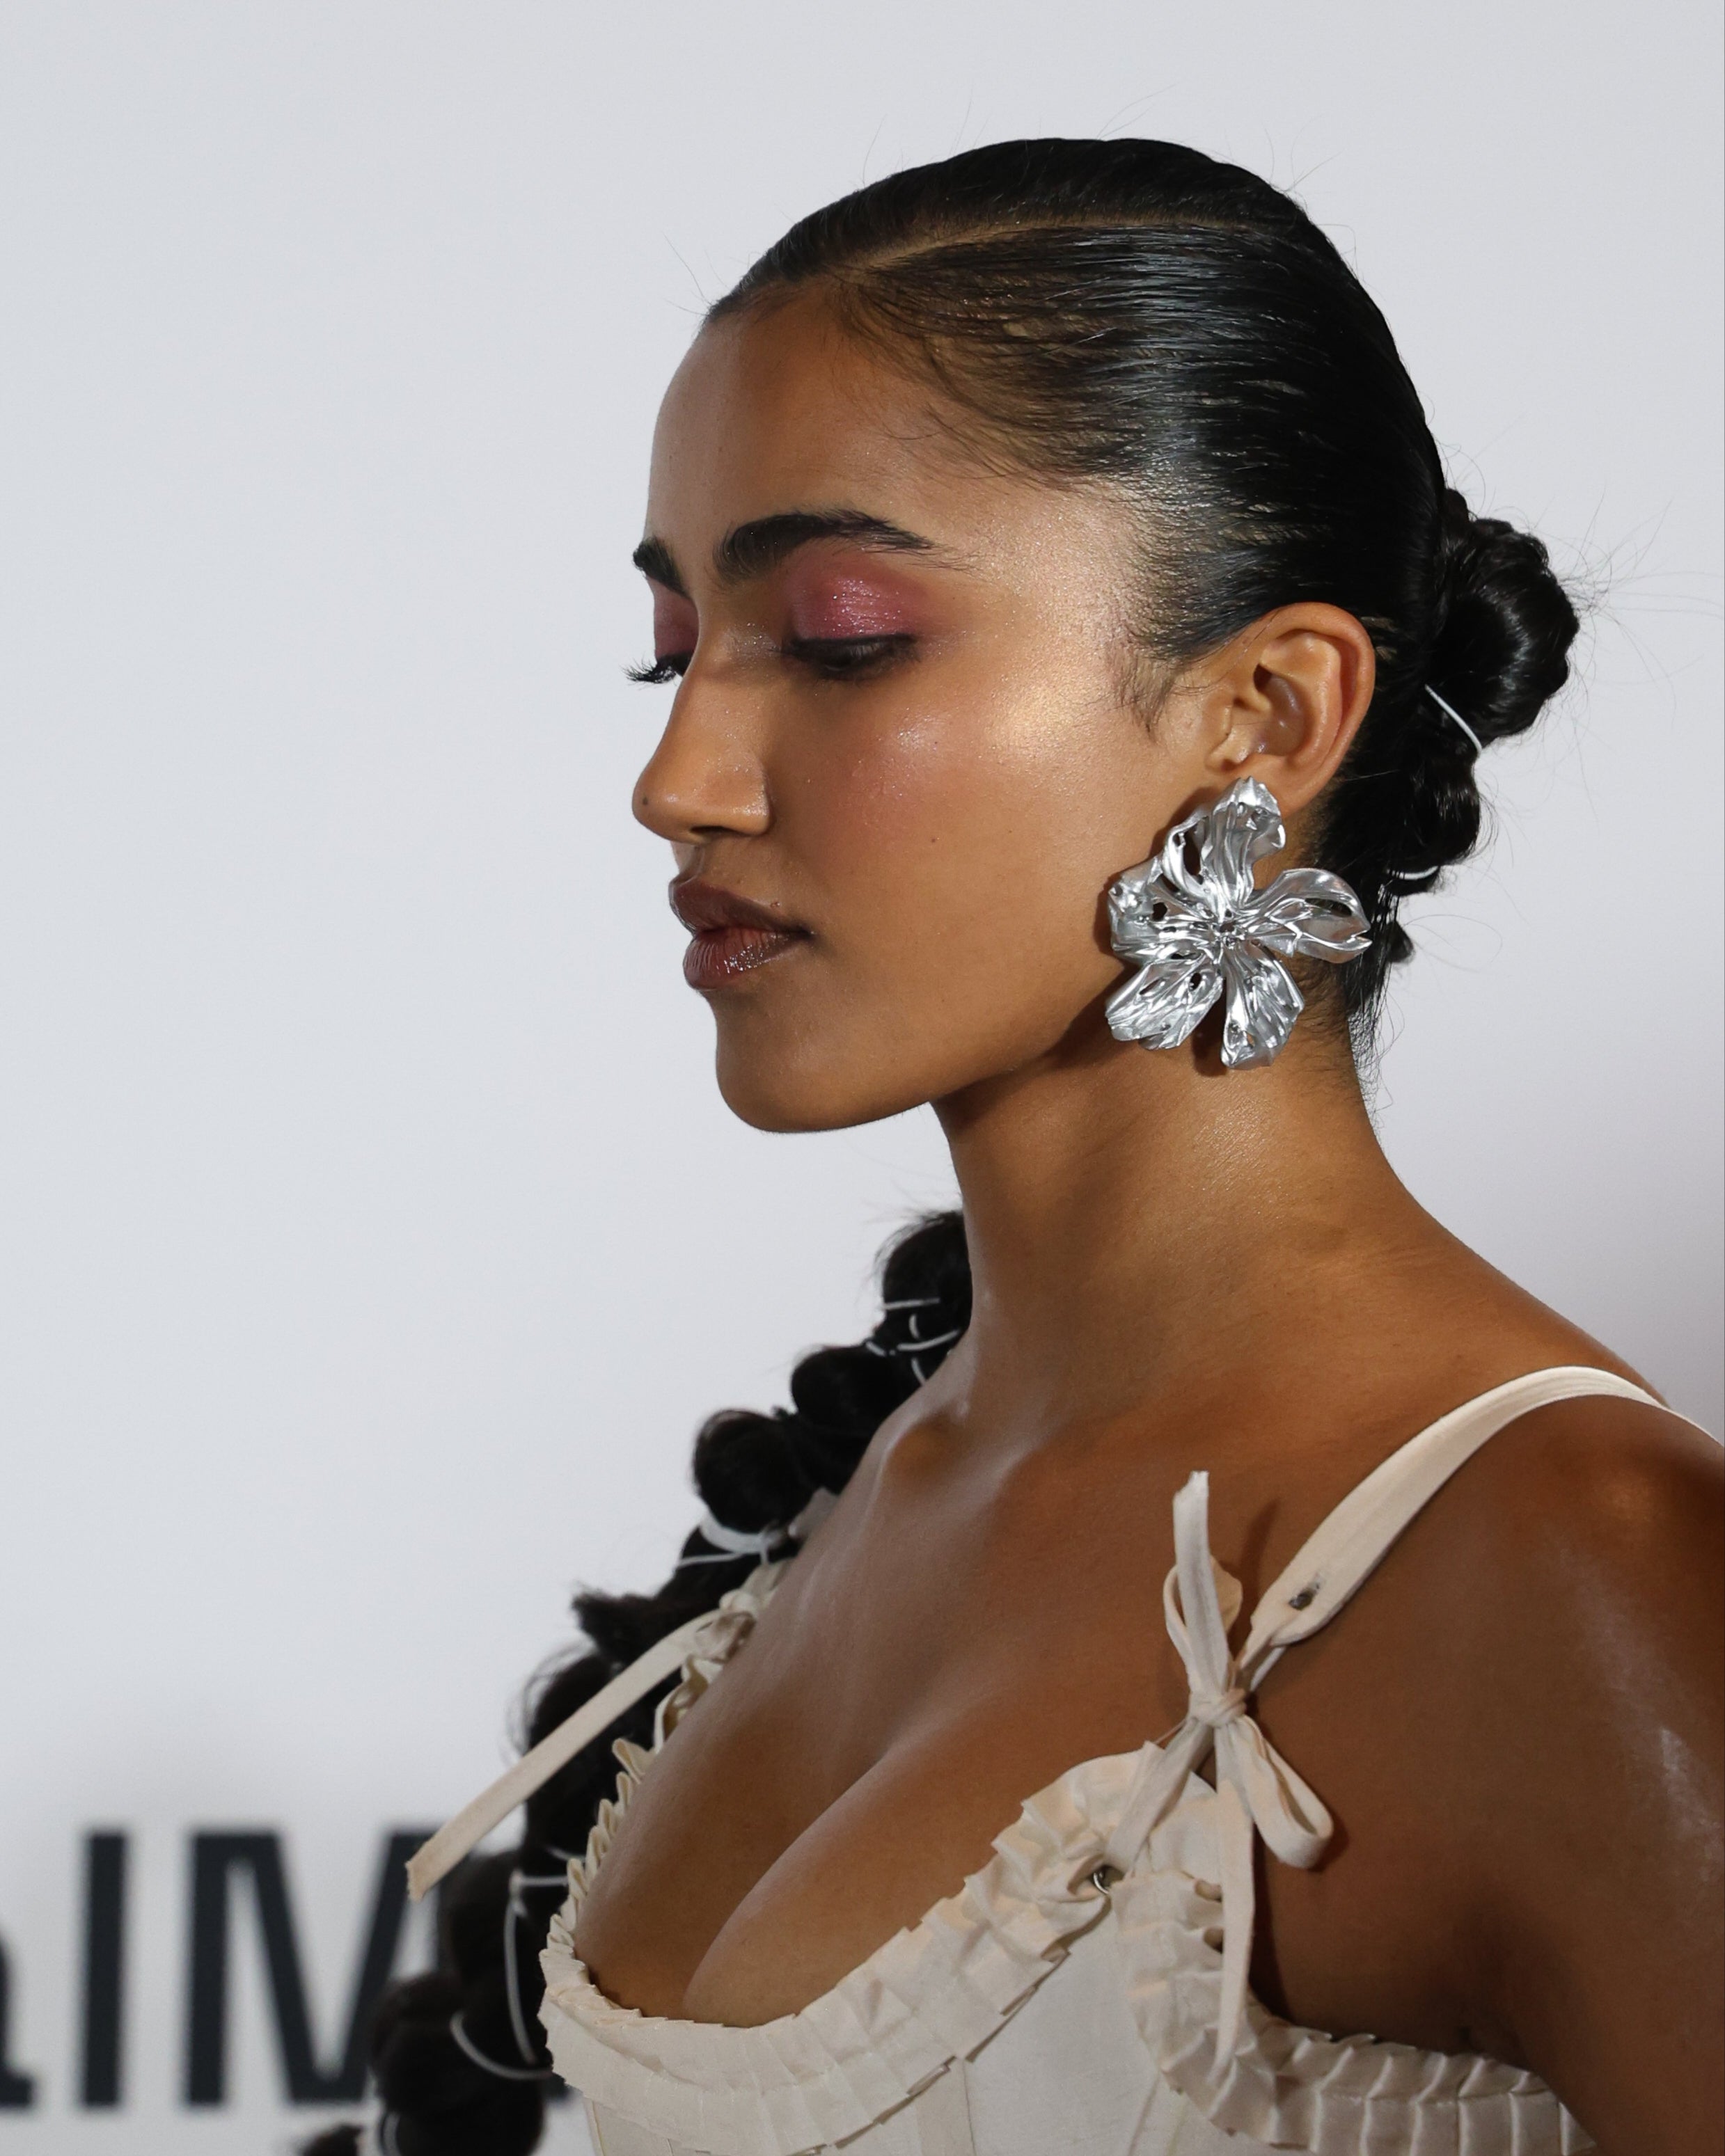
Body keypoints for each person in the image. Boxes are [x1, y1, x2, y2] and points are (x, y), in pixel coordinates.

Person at [330, 140, 1724, 2156]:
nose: (677, 775)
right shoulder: (880, 1493)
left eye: (839, 636)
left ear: (1265, 708)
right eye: (673, 644)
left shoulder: (1576, 1569)